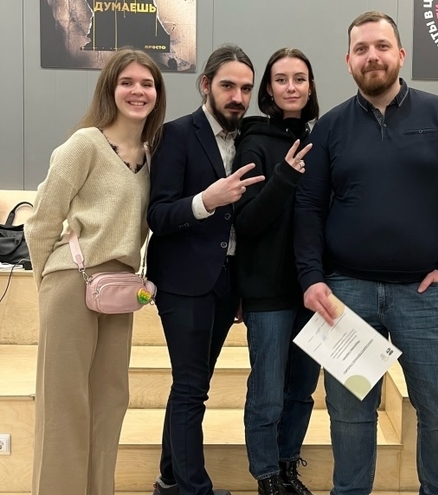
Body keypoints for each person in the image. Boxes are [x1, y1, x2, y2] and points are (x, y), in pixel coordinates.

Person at [294, 11, 438, 495]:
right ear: (348, 61)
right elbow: (309, 207)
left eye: (381, 46)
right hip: (346, 294)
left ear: (400, 54)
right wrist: (312, 277)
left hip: (427, 295)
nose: (372, 56)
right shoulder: (329, 128)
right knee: (350, 415)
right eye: (361, 49)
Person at [24, 48, 166, 495]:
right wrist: (50, 286)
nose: (138, 91)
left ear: (158, 93)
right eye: (127, 82)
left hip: (119, 289)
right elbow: (41, 222)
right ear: (110, 88)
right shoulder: (85, 144)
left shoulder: (152, 156)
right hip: (73, 282)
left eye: (147, 83)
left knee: (109, 403)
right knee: (64, 407)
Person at [147, 44, 264, 495]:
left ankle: (169, 478)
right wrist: (205, 201)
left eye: (246, 89)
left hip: (226, 280)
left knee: (190, 385)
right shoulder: (176, 134)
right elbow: (158, 215)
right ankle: (194, 489)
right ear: (205, 85)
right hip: (183, 282)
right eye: (228, 86)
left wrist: (240, 287)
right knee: (192, 387)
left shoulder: (249, 137)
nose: (238, 97)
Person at [232, 48, 321, 495]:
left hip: (313, 290)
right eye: (281, 79)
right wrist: (284, 175)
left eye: (299, 79)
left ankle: (287, 467)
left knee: (302, 390)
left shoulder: (321, 140)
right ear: (268, 89)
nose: (291, 87)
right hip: (268, 292)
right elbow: (246, 221)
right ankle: (266, 474)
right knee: (267, 392)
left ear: (310, 86)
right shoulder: (254, 143)